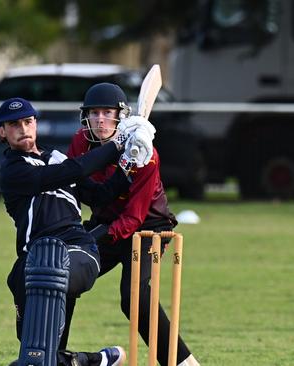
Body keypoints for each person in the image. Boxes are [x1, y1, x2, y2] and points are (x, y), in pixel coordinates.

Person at [0, 97, 155, 366]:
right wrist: (117, 144)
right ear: (2, 131)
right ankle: (91, 361)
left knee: (50, 265)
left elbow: (100, 195)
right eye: (13, 125)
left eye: (27, 121)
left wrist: (129, 160)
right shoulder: (12, 170)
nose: (22, 129)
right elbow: (75, 168)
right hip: (35, 259)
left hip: (80, 251)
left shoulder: (56, 157)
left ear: (35, 124)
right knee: (37, 358)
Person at [65, 83, 200, 366]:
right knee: (63, 278)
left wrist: (97, 237)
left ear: (120, 116)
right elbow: (78, 188)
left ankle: (183, 363)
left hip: (149, 228)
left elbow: (134, 217)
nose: (100, 119)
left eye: (107, 112)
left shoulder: (146, 154)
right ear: (85, 117)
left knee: (134, 299)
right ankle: (51, 356)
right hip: (105, 221)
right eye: (93, 113)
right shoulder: (80, 143)